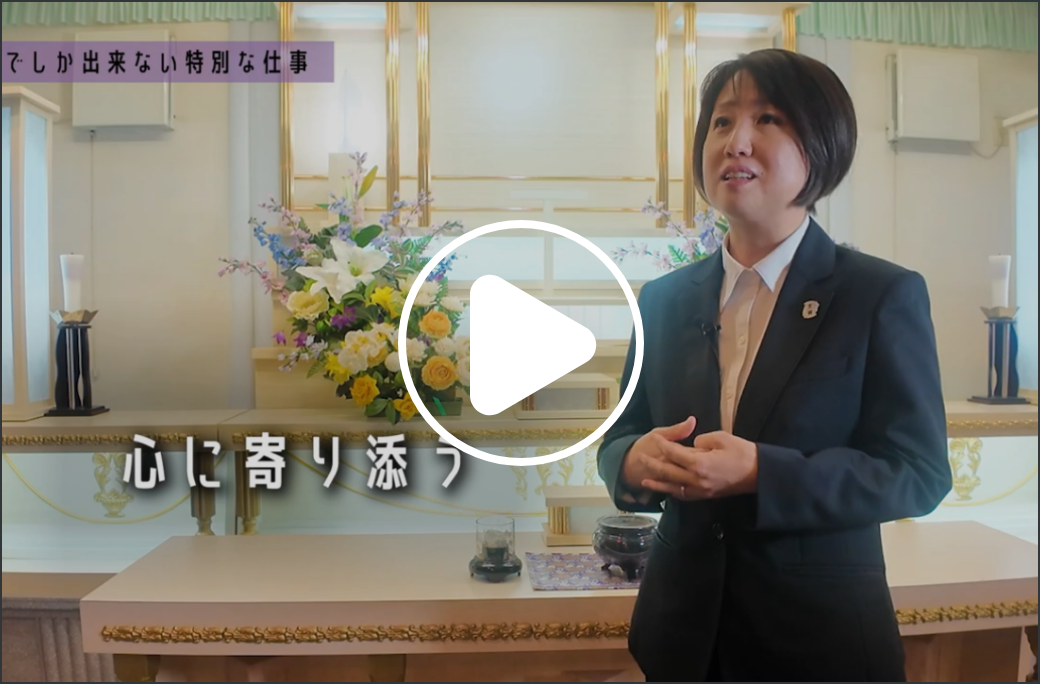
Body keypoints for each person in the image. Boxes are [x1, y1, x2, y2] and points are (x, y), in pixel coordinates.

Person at [597, 48, 952, 682]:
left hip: (819, 644)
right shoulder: (663, 300)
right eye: (721, 121)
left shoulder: (879, 294)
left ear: (821, 145)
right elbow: (621, 435)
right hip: (681, 640)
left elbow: (918, 473)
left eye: (766, 119)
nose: (736, 141)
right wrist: (631, 461)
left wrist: (764, 472)